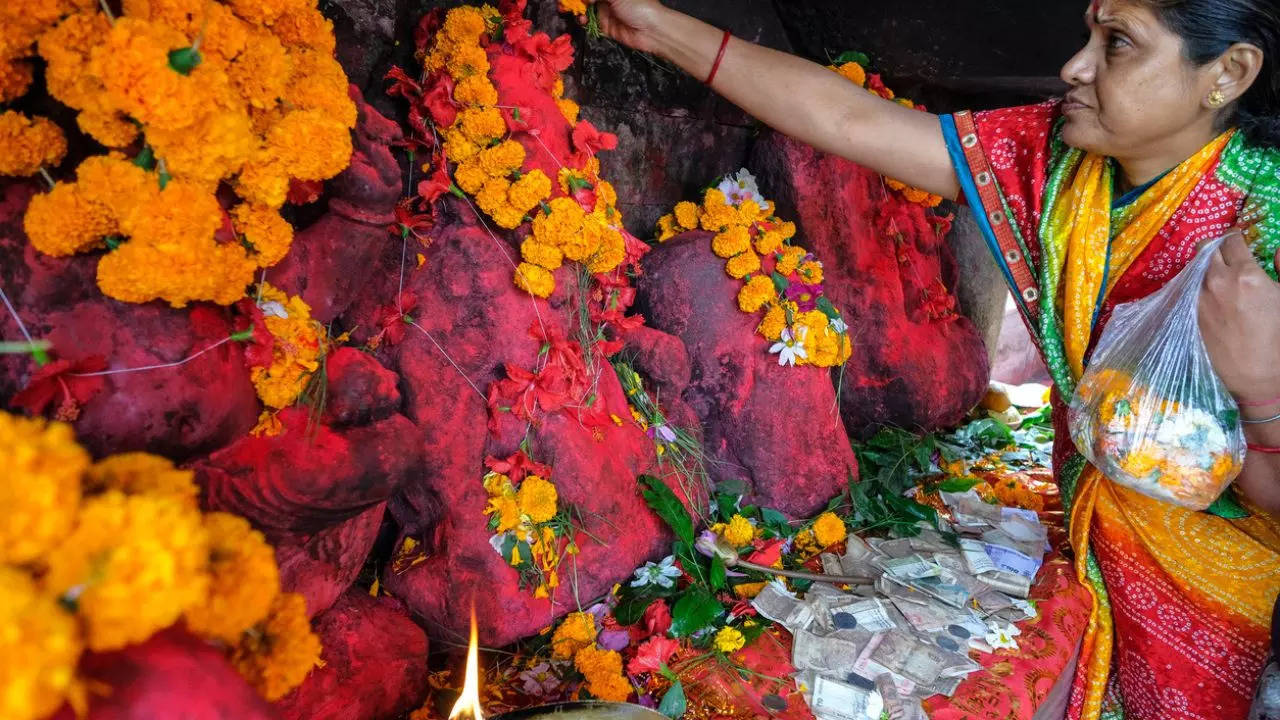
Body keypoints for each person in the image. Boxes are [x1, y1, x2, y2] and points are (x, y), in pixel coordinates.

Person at [587, 0, 1280, 718]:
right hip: (1094, 552)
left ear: (1227, 72)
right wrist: (660, 28)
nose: (1075, 67)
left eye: (1118, 45)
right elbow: (850, 122)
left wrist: (1262, 385)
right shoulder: (1056, 158)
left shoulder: (1267, 221)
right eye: (1087, 37)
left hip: (1227, 600)